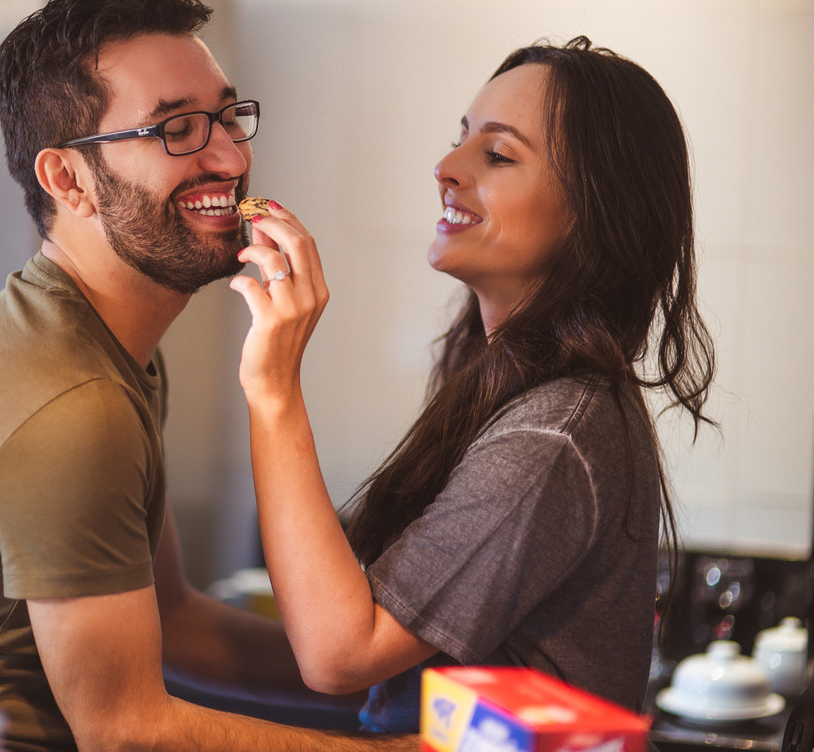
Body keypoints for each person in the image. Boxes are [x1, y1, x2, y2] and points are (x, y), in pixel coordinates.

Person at [0, 0, 415, 752]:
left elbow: (175, 621)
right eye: (177, 129)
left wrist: (400, 691)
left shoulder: (109, 347)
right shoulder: (72, 403)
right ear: (66, 178)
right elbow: (124, 728)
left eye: (226, 117)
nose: (228, 156)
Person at [230, 37, 716, 733]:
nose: (445, 168)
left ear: (594, 211)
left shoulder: (553, 434)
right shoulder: (512, 385)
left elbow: (341, 652)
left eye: (497, 154)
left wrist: (274, 389)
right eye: (460, 139)